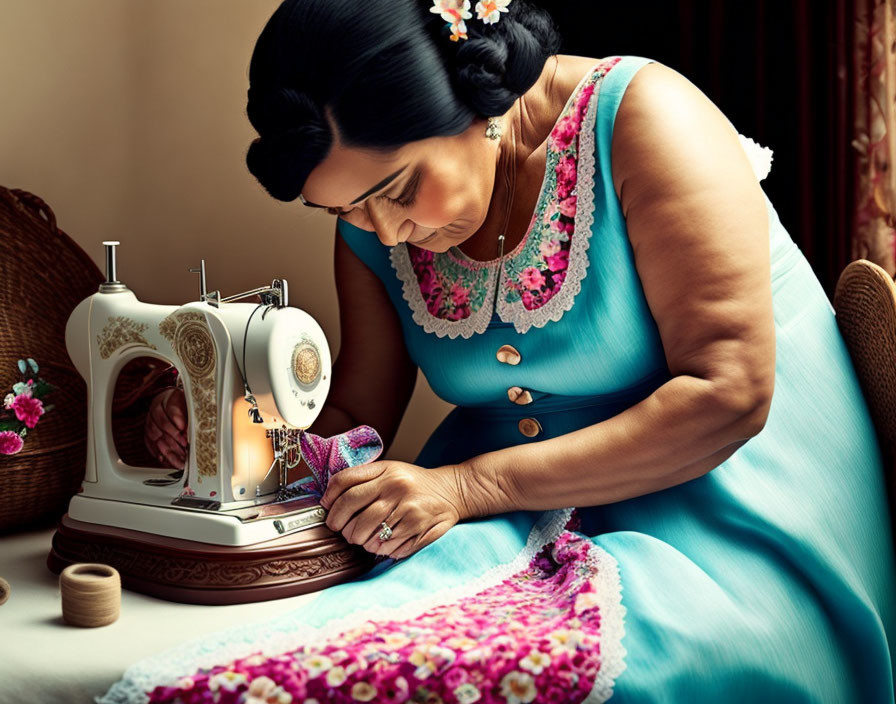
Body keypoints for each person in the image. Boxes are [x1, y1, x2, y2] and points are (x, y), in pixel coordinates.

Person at [139, 1, 895, 702]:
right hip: (512, 517)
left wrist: (467, 490)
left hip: (729, 517)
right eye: (344, 209)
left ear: (480, 102)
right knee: (321, 667)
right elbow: (351, 415)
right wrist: (225, 432)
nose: (383, 231)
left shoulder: (644, 119)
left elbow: (728, 396)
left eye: (398, 191)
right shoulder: (371, 227)